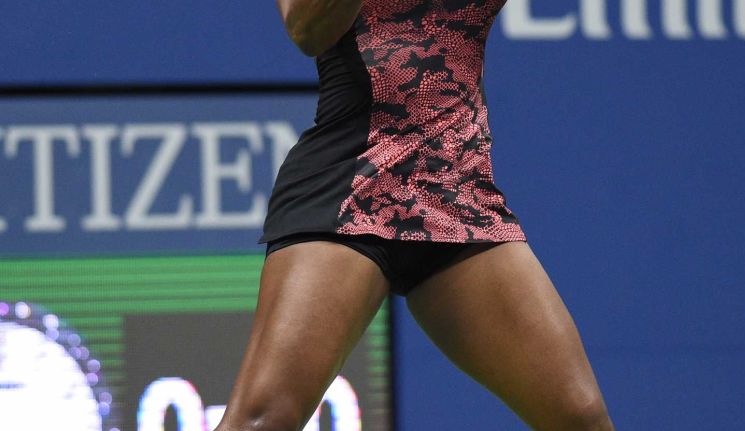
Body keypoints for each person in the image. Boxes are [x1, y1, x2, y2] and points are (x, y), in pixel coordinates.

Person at [215, 0, 615, 429]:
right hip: (353, 184)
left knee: (579, 418)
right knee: (264, 419)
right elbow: (306, 29)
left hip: (456, 191)